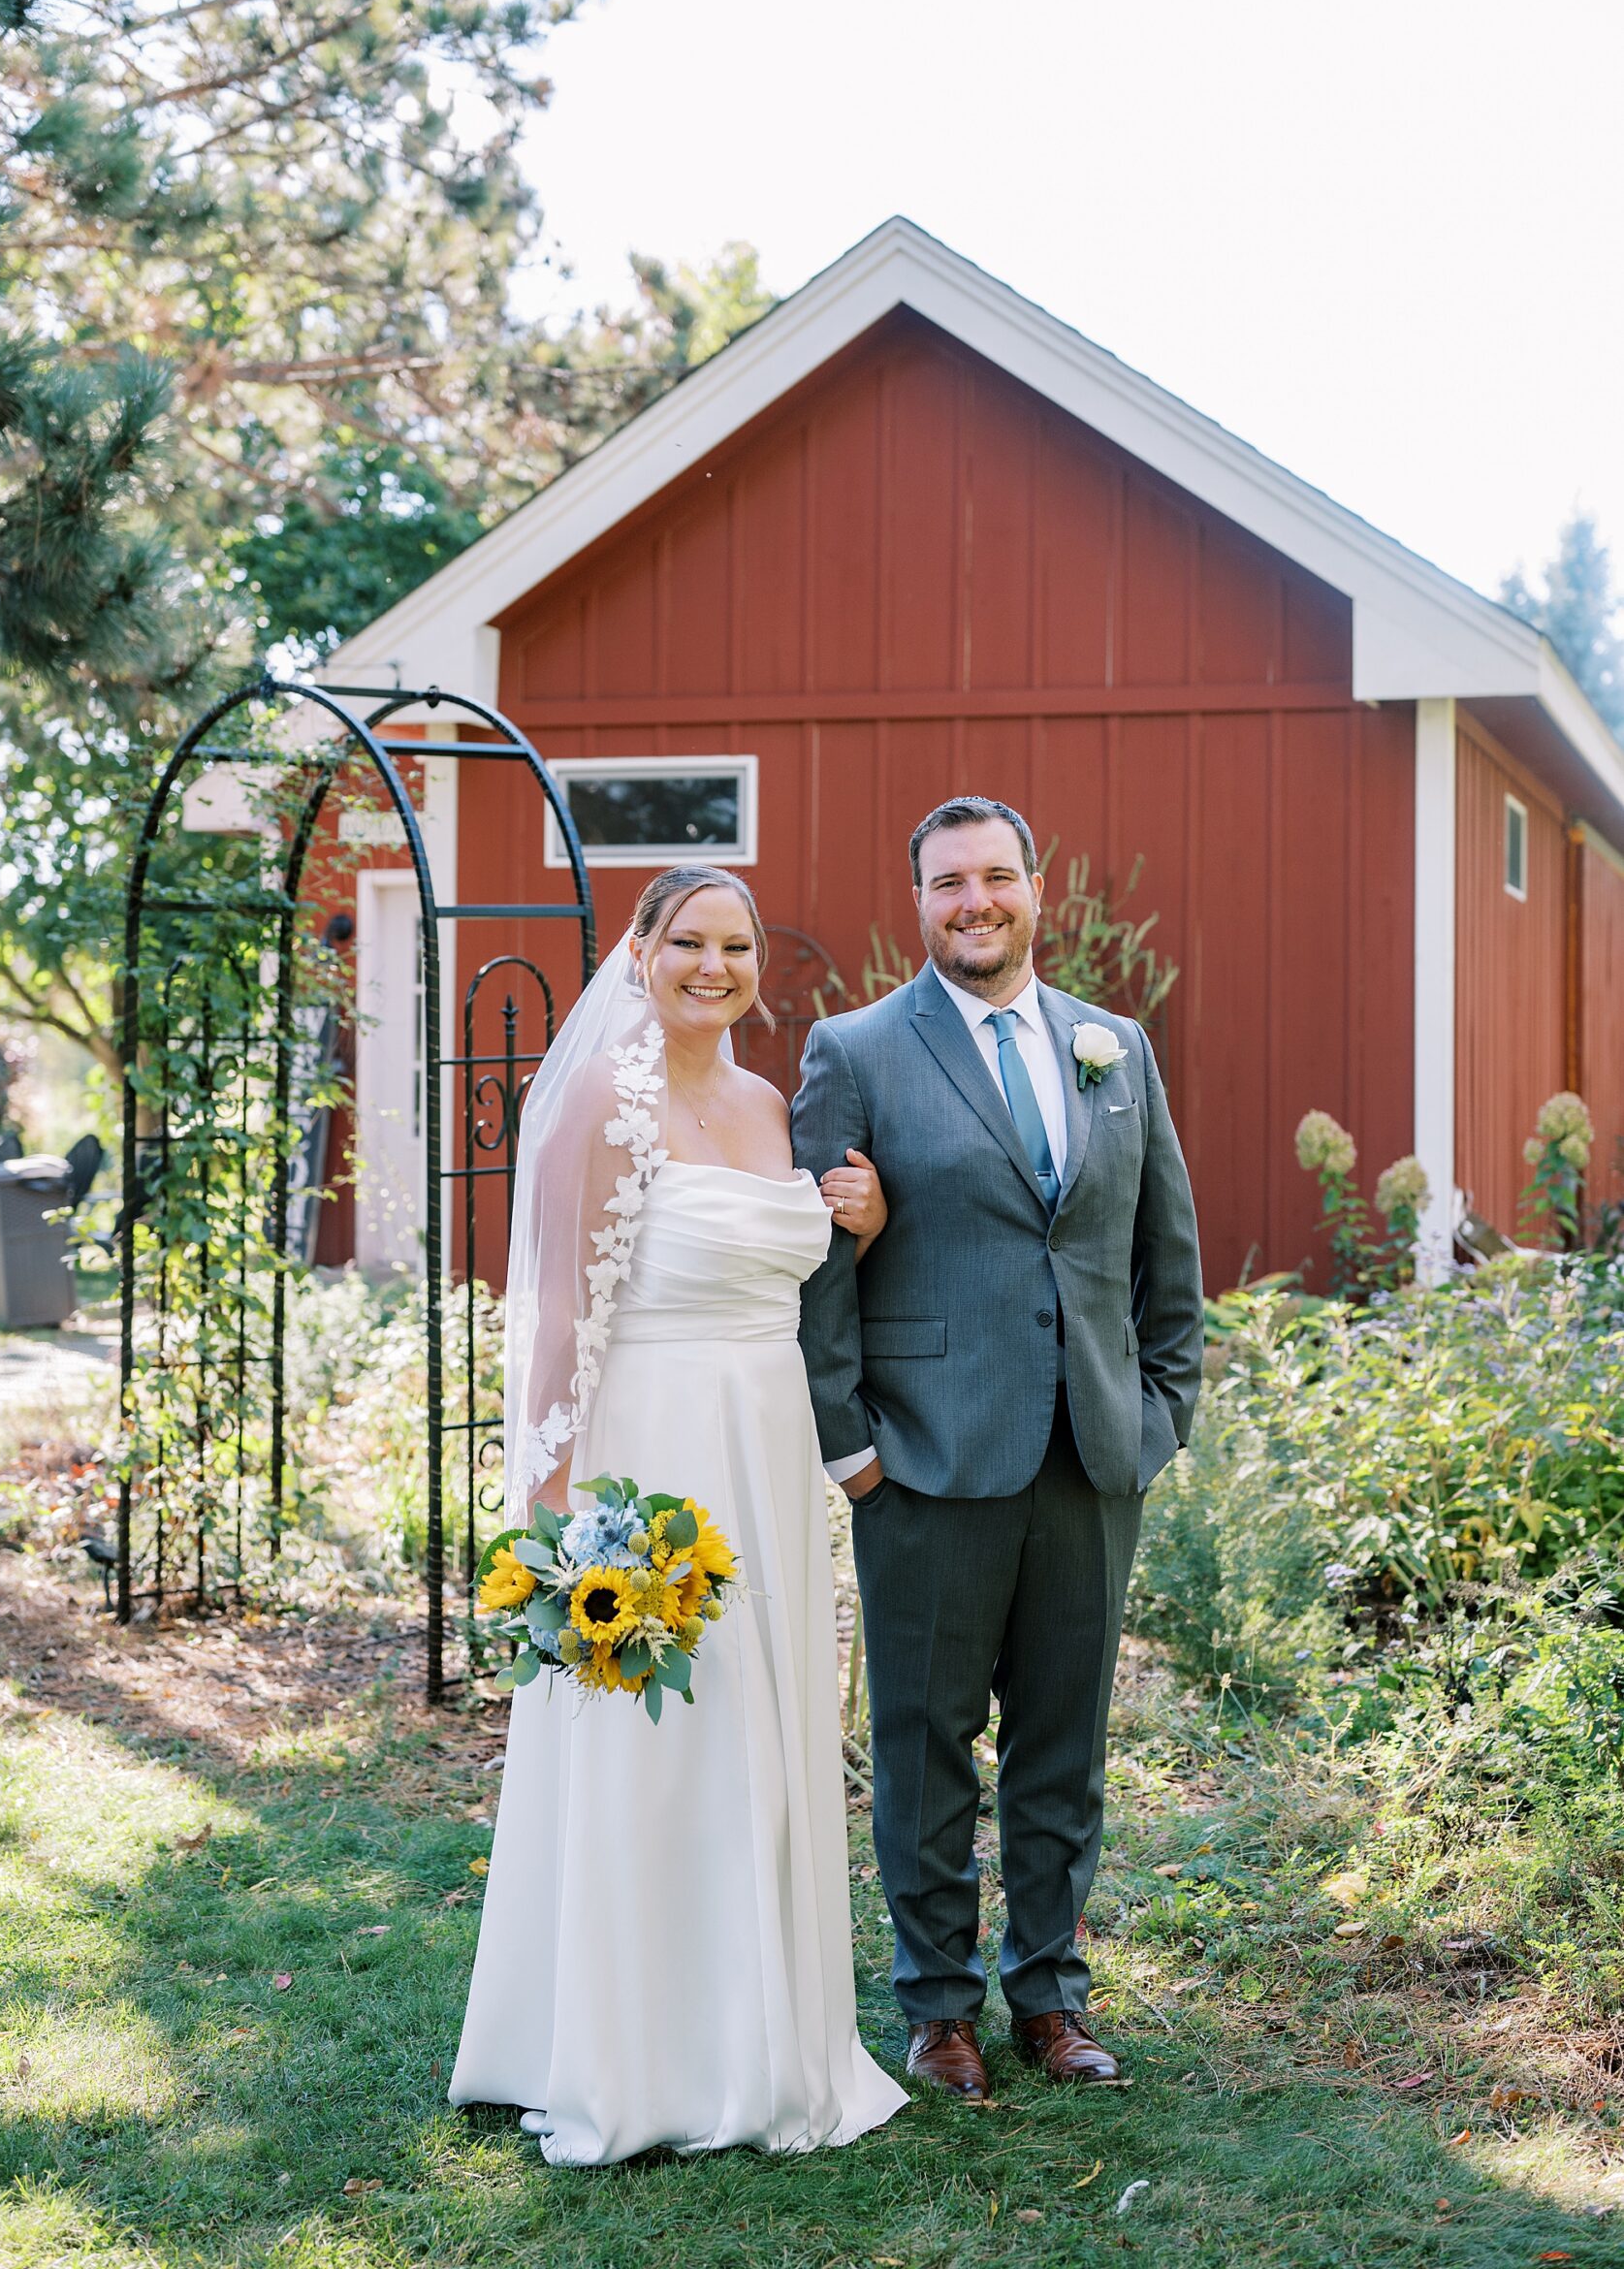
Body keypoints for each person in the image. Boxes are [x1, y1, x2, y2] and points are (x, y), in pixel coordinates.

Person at [449, 864, 908, 2163]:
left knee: (763, 1729)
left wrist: (858, 1230)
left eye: (738, 946)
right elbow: (553, 1315)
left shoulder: (769, 1104)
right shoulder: (602, 1098)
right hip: (651, 1447)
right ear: (641, 953)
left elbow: (785, 1277)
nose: (716, 966)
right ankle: (640, 2051)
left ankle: (769, 2037)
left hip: (765, 1442)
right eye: (689, 942)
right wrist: (552, 1508)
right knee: (658, 1741)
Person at [791, 796, 1202, 2103]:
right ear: (917, 902)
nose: (976, 899)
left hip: (1091, 1455)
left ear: (1038, 886)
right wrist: (849, 1444)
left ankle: (1052, 1996)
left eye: (996, 875)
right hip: (924, 1459)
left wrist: (1162, 1410)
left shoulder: (1113, 1047)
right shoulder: (854, 1049)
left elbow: (1164, 1256)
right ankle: (936, 2009)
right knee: (923, 1742)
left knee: (1064, 1741)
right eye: (948, 882)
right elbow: (815, 1267)